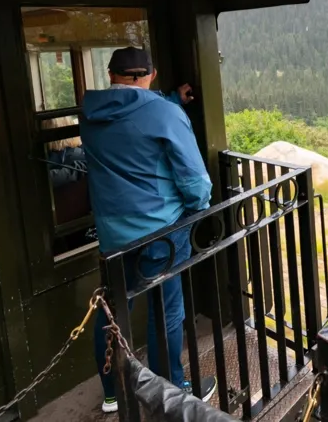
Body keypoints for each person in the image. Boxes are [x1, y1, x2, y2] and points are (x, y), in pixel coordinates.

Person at [81, 47, 214, 413]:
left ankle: (111, 394)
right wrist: (197, 208)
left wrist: (170, 102)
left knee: (110, 311)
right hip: (162, 233)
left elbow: (129, 122)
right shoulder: (164, 114)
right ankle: (171, 389)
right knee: (166, 310)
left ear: (110, 75)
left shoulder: (90, 112)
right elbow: (196, 183)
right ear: (151, 75)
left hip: (112, 235)